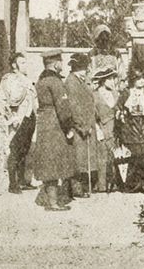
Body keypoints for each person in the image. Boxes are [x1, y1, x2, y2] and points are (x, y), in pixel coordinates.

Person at [29, 49, 76, 211]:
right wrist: (69, 126)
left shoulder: (41, 81)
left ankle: (51, 200)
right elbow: (62, 107)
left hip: (44, 123)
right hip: (55, 124)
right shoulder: (55, 82)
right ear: (56, 64)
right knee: (55, 162)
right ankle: (54, 203)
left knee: (47, 161)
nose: (61, 64)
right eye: (60, 61)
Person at [0, 52, 37, 193]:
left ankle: (23, 181)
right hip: (18, 120)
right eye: (23, 63)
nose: (26, 65)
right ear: (14, 65)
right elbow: (1, 101)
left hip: (29, 119)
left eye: (26, 62)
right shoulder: (9, 80)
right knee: (14, 151)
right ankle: (12, 185)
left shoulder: (26, 80)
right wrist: (10, 118)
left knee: (24, 150)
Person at [115, 69, 144, 192]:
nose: (142, 81)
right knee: (134, 156)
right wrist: (121, 114)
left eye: (143, 78)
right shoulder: (126, 92)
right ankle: (133, 185)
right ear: (133, 80)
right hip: (131, 126)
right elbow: (118, 108)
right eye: (139, 79)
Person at [65, 53, 98, 198]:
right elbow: (74, 108)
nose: (87, 71)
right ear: (79, 68)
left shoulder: (80, 81)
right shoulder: (71, 83)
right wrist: (82, 126)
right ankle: (76, 189)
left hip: (86, 124)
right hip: (79, 127)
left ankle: (82, 188)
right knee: (78, 159)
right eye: (85, 68)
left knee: (84, 158)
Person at [92, 67, 119, 192]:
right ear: (103, 80)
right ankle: (102, 185)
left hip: (114, 128)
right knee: (102, 158)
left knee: (114, 156)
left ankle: (114, 183)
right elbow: (93, 116)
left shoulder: (115, 93)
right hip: (102, 129)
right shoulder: (95, 95)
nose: (112, 81)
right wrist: (98, 131)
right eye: (110, 79)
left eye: (113, 78)